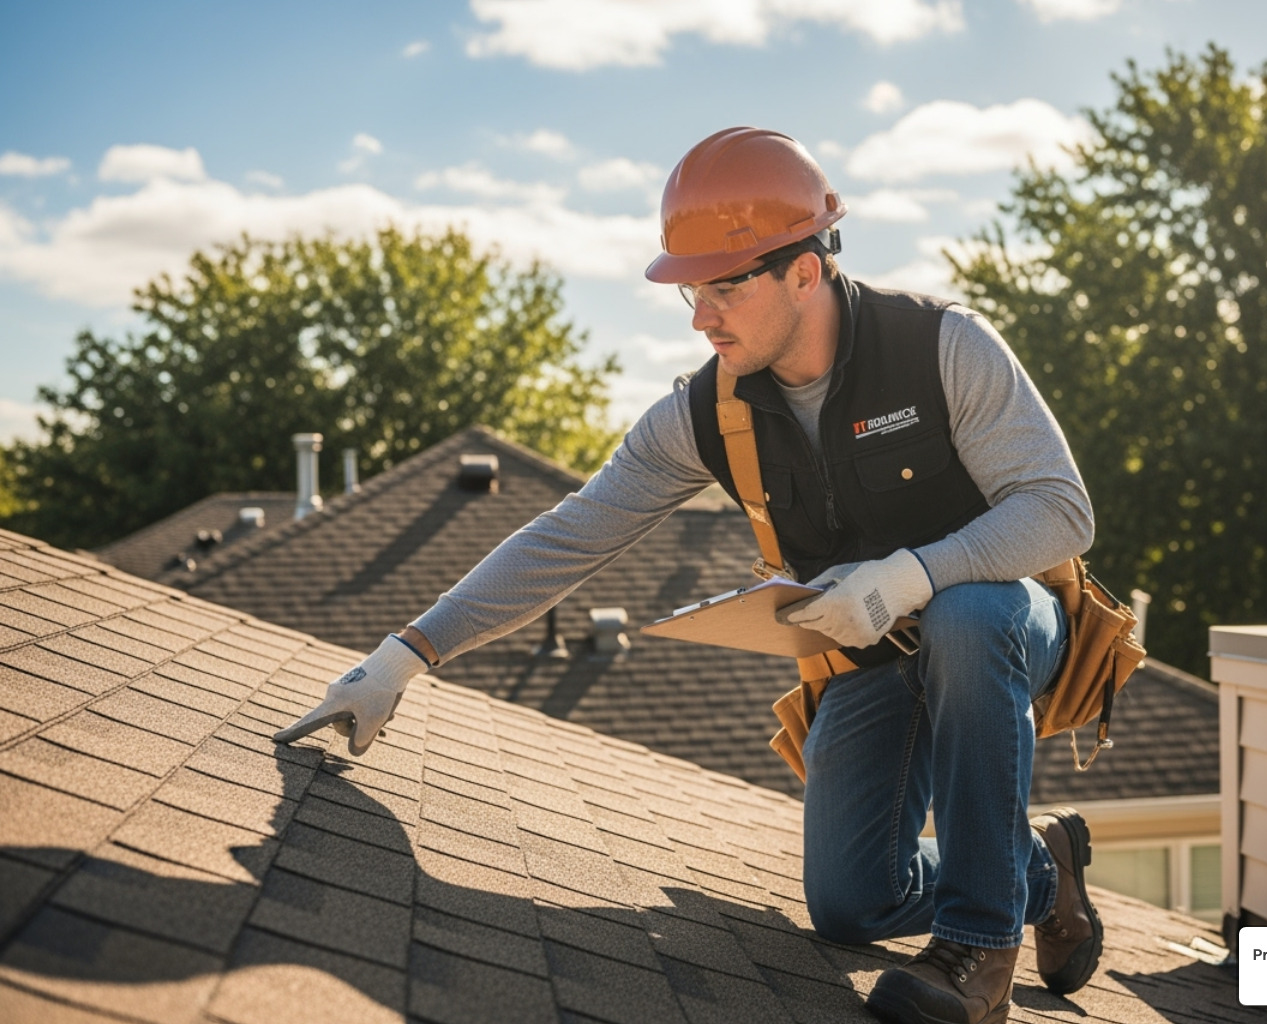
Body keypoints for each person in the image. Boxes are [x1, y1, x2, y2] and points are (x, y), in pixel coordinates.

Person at [276, 126, 1102, 1024]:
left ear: (804, 270)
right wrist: (405, 654)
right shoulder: (707, 410)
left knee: (968, 616)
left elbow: (1061, 510)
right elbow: (572, 534)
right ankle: (1035, 868)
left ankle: (979, 948)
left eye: (723, 286)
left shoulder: (945, 350)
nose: (701, 316)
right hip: (868, 654)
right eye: (690, 292)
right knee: (851, 905)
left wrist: (912, 574)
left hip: (1003, 628)